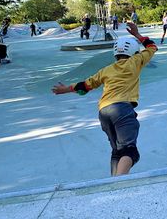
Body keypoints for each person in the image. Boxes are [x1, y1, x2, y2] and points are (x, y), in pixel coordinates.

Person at [52, 22, 158, 176]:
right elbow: (152, 47)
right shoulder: (136, 61)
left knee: (117, 151)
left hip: (104, 111)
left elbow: (86, 86)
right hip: (122, 109)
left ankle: (112, 184)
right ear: (134, 52)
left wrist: (66, 89)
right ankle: (120, 184)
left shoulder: (106, 70)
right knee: (130, 151)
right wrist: (137, 34)